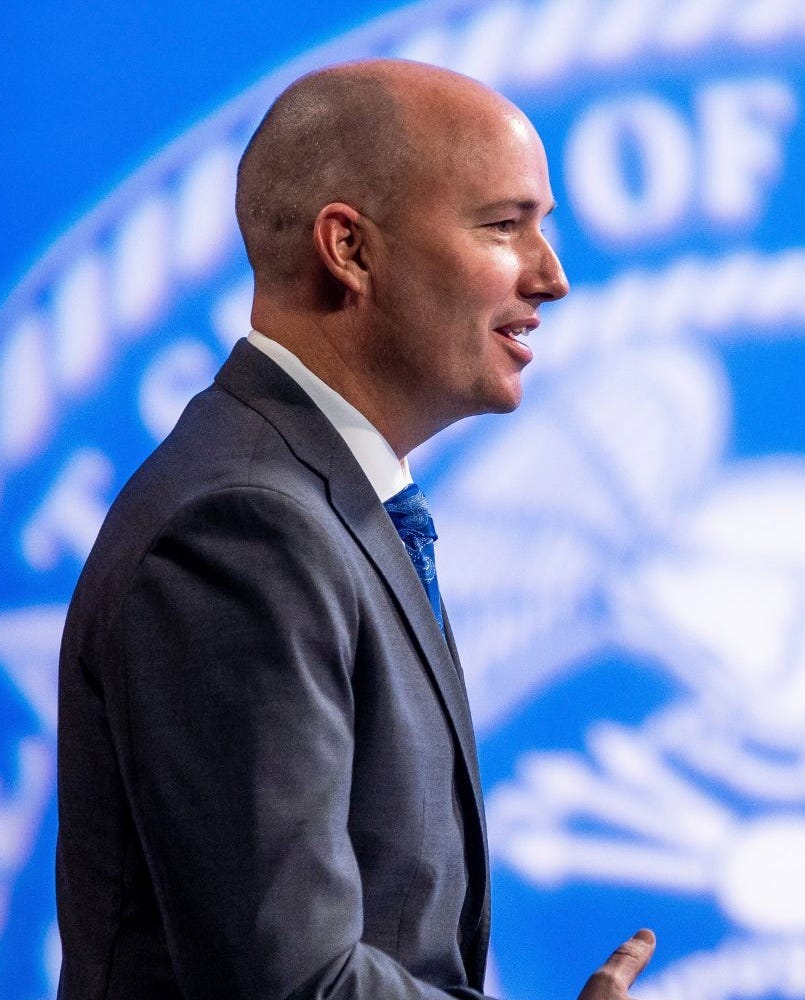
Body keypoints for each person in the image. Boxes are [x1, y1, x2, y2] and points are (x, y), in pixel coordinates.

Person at [55, 59, 654, 999]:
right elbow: (295, 984)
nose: (553, 278)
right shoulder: (244, 531)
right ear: (352, 249)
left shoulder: (319, 503)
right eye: (505, 226)